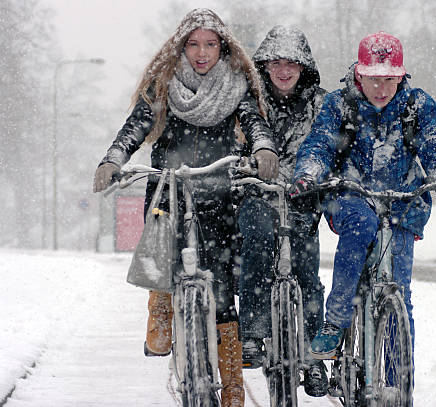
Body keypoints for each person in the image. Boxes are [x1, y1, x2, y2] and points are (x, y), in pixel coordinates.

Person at [92, 9, 278, 407]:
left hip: (219, 191)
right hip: (169, 191)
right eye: (193, 44)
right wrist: (113, 158)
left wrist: (263, 148)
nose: (202, 53)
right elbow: (136, 126)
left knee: (224, 289)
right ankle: (160, 305)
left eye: (210, 44)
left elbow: (255, 120)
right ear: (181, 47)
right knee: (161, 250)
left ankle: (230, 388)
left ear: (223, 48)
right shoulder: (164, 86)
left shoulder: (236, 84)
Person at [290, 32, 436, 361]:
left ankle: (396, 380)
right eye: (373, 80)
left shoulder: (416, 107)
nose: (381, 89)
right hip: (351, 194)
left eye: (389, 80)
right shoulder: (340, 105)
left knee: (400, 293)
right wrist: (306, 178)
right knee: (360, 227)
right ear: (358, 74)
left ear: (402, 76)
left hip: (403, 201)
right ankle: (336, 321)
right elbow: (318, 146)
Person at [235, 25, 328, 397]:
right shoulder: (248, 102)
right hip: (257, 194)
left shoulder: (321, 103)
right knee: (256, 244)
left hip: (303, 198)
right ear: (265, 65)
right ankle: (253, 331)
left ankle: (311, 355)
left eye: (292, 63)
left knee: (307, 271)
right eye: (277, 62)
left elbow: (333, 144)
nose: (284, 70)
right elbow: (235, 142)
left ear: (303, 67)